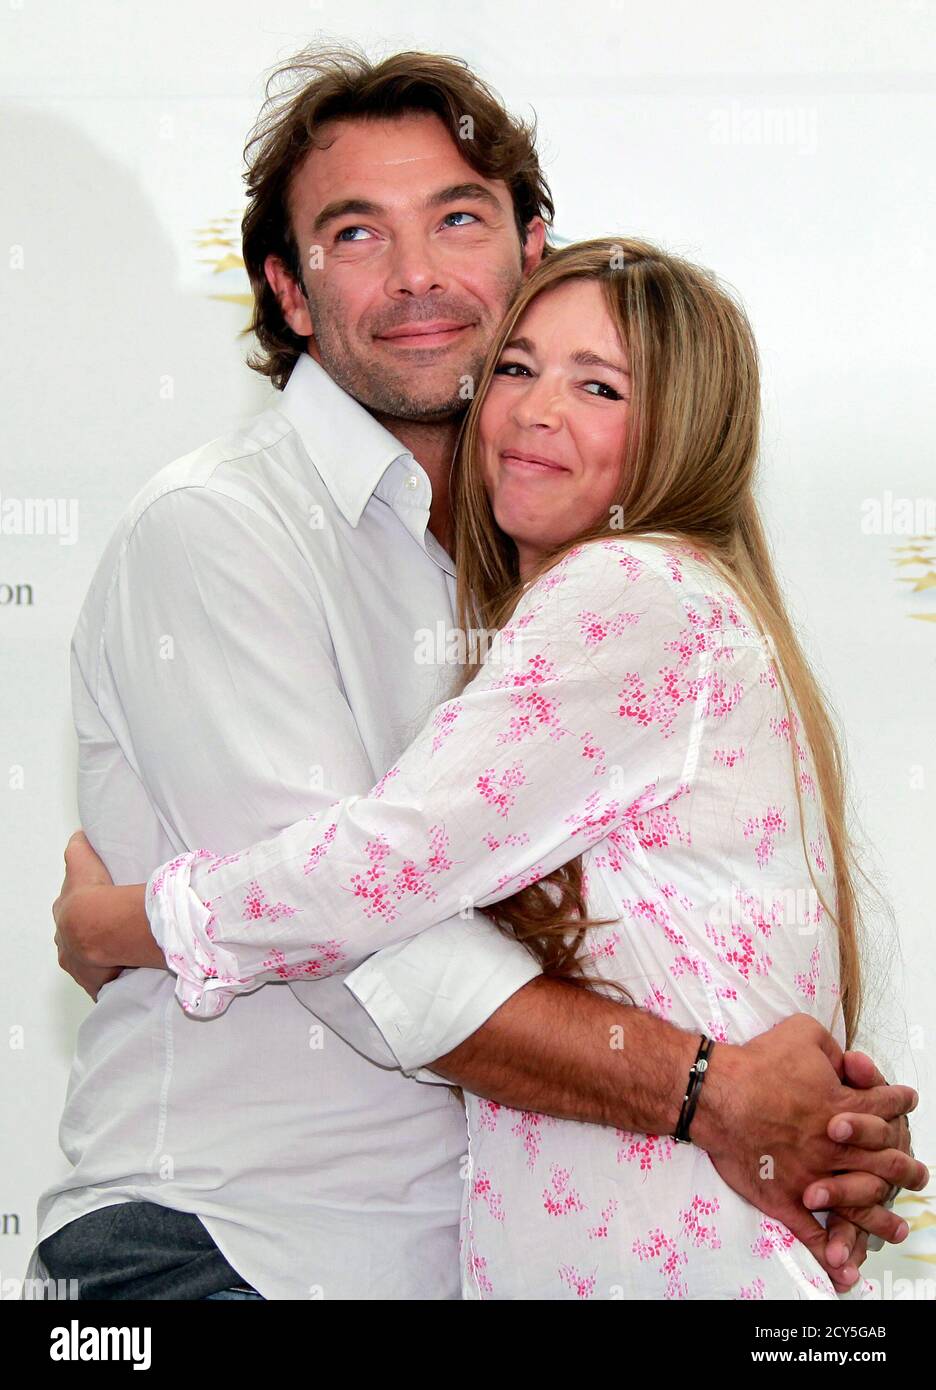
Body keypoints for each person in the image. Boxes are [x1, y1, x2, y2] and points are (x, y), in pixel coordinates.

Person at [43, 45, 921, 1301]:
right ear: (290, 292)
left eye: (458, 217)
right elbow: (364, 945)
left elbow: (647, 928)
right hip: (234, 1249)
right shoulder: (218, 531)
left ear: (532, 251)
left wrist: (815, 1124)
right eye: (355, 234)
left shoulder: (554, 577)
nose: (416, 275)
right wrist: (713, 1088)